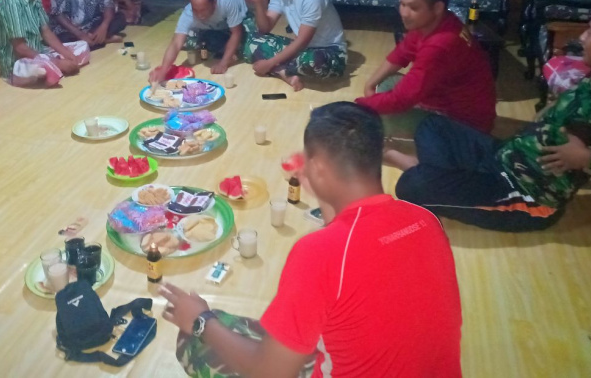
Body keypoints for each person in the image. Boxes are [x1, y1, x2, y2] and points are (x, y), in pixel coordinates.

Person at [162, 102, 462, 378]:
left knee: (197, 340)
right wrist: (325, 192)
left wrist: (200, 320)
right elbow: (357, 255)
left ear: (316, 168)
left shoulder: (318, 253)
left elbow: (269, 373)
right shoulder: (425, 220)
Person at [389, 15, 591, 232]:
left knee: (411, 186)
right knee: (432, 125)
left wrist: (589, 158)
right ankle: (441, 176)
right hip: (505, 156)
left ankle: (425, 171)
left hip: (526, 194)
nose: (582, 37)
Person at [355, 0, 496, 134]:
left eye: (413, 8)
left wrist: (358, 105)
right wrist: (370, 85)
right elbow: (401, 53)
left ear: (437, 7)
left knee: (377, 118)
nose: (404, 13)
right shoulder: (437, 22)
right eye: (402, 4)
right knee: (385, 83)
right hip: (444, 97)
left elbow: (400, 100)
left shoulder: (441, 44)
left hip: (463, 124)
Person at [245, 0, 347, 92]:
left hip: (329, 52)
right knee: (253, 41)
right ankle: (283, 72)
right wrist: (258, 3)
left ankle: (278, 68)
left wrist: (270, 63)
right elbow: (264, 28)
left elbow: (302, 40)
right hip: (302, 49)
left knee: (316, 61)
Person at [149, 0, 248, 83]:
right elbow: (176, 43)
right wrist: (163, 70)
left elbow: (236, 33)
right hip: (211, 27)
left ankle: (228, 48)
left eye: (203, 10)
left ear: (214, 3)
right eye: (195, 10)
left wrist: (223, 63)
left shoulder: (228, 1)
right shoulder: (188, 13)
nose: (199, 15)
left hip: (236, 23)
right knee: (189, 44)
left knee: (248, 51)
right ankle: (222, 44)